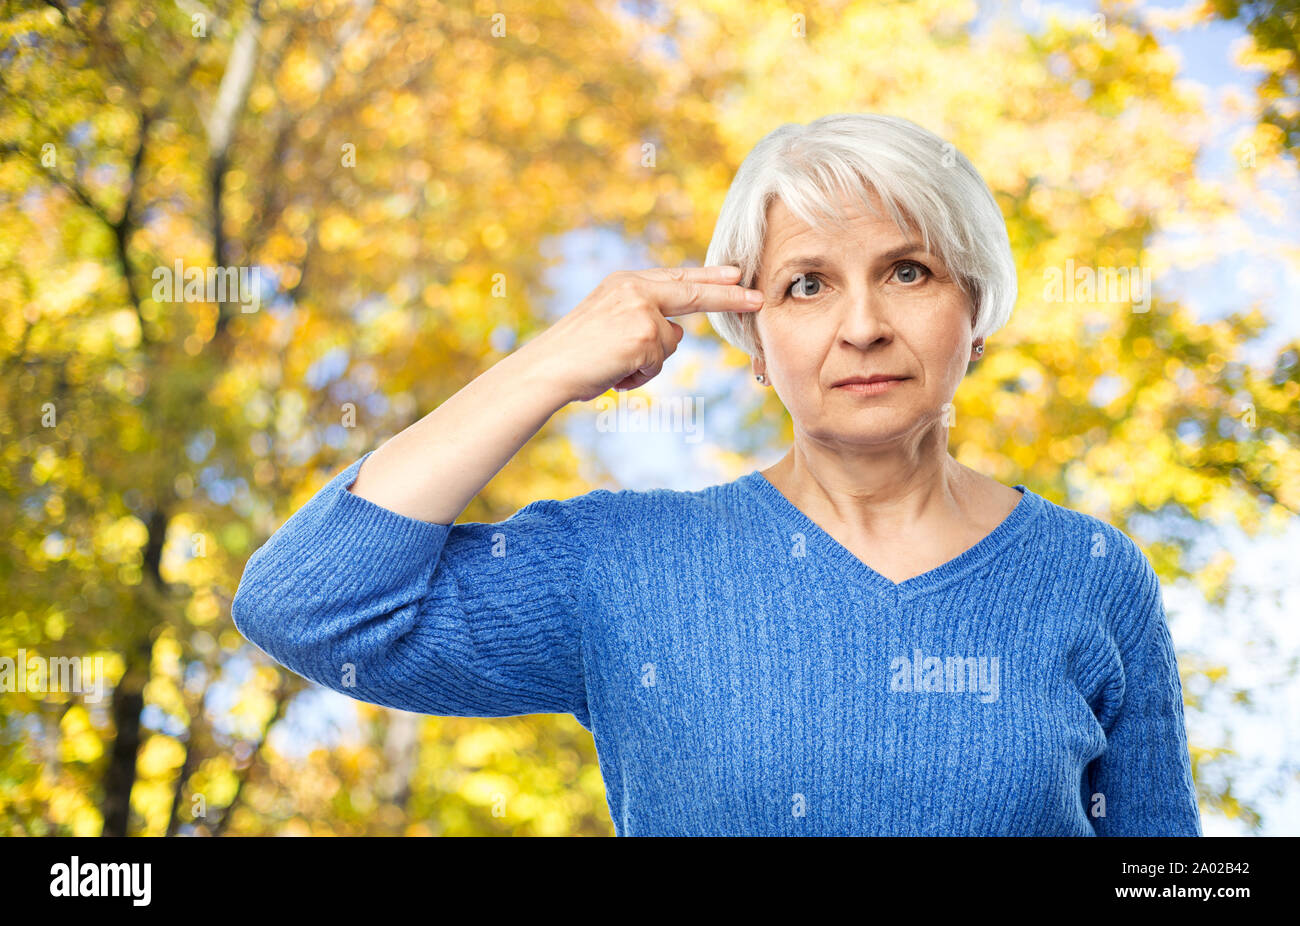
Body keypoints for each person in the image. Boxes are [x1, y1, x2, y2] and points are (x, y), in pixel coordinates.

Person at [232, 113, 1201, 836]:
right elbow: (307, 606)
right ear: (753, 339)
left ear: (975, 311)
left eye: (907, 271)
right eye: (805, 284)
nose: (860, 324)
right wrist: (552, 362)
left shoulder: (1090, 571)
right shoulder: (622, 564)